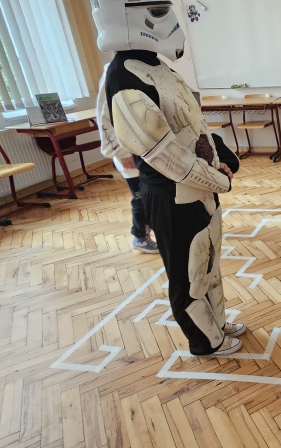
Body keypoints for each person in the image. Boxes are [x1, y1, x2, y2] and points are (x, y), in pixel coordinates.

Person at [92, 0, 246, 356]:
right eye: (157, 10)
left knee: (208, 264)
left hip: (199, 188)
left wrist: (221, 161)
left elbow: (192, 128)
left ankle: (217, 324)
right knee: (188, 271)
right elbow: (164, 155)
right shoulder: (122, 77)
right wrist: (217, 179)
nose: (169, 19)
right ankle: (204, 341)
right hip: (172, 193)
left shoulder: (157, 67)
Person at [96, 63, 158, 254]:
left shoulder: (141, 68)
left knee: (154, 195)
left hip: (148, 149)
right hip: (129, 153)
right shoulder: (113, 74)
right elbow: (105, 118)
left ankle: (159, 229)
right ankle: (140, 236)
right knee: (141, 197)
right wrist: (121, 153)